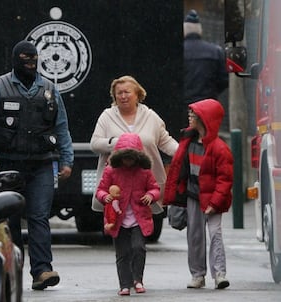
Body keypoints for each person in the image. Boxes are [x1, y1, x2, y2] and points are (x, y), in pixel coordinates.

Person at [0, 40, 74, 290]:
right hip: (8, 164)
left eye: (33, 59)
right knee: (10, 220)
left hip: (42, 164)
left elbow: (61, 127)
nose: (30, 63)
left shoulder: (49, 90)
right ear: (14, 60)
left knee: (39, 217)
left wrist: (67, 160)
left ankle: (42, 271)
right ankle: (12, 271)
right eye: (25, 59)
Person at [163, 98, 233, 290]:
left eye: (194, 114)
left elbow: (225, 180)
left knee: (215, 234)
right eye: (190, 114)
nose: (190, 117)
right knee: (194, 236)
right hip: (193, 196)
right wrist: (178, 194)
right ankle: (197, 275)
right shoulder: (187, 141)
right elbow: (180, 168)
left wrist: (214, 203)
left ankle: (219, 274)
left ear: (205, 118)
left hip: (212, 199)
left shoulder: (219, 148)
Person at [90, 75, 178, 215]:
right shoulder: (107, 116)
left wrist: (184, 152)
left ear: (137, 94)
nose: (123, 96)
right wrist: (118, 142)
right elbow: (95, 144)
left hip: (145, 185)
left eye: (127, 92)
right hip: (116, 185)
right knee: (116, 226)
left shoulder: (151, 116)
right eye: (119, 93)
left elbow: (166, 141)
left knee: (143, 227)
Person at [95, 133, 160, 295]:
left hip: (139, 217)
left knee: (139, 248)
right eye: (125, 158)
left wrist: (150, 195)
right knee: (122, 253)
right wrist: (105, 197)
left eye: (131, 158)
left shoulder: (144, 172)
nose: (128, 162)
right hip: (117, 219)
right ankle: (124, 284)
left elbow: (154, 188)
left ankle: (137, 279)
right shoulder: (111, 171)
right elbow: (100, 190)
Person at [183, 9, 228, 126]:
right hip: (207, 106)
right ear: (200, 30)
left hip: (183, 107)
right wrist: (211, 92)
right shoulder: (215, 51)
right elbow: (224, 80)